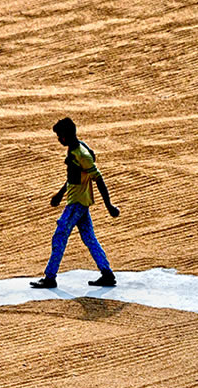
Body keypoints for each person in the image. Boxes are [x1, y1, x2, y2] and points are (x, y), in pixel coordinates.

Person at [30, 117, 120, 289]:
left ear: (65, 136)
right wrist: (60, 194)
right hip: (80, 202)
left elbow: (98, 179)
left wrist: (109, 205)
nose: (58, 139)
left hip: (77, 203)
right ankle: (107, 273)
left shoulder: (81, 154)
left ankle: (50, 277)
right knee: (89, 238)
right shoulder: (76, 149)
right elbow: (74, 177)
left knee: (60, 234)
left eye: (59, 136)